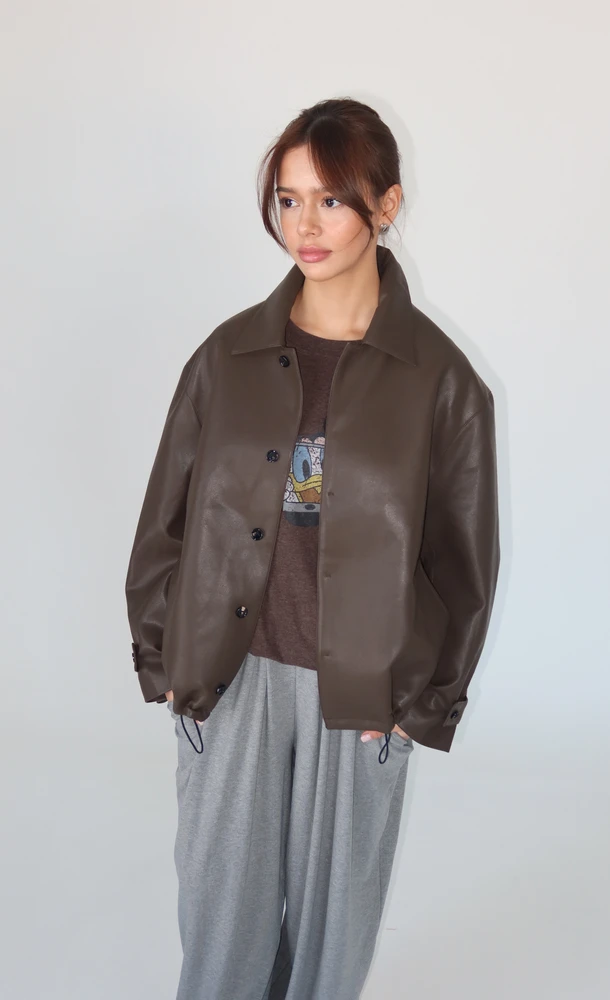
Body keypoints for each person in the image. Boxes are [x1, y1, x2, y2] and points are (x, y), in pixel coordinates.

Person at [125, 96, 501, 1000]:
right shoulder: (227, 357)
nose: (305, 224)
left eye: (331, 199)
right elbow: (164, 520)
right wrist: (164, 658)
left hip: (363, 697)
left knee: (333, 949)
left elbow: (464, 564)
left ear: (387, 204)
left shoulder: (443, 382)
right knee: (221, 933)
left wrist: (423, 706)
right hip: (233, 677)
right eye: (289, 199)